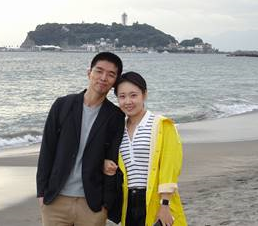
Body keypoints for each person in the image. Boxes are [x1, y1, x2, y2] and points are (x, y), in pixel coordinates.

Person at [36, 52, 125, 226]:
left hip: (92, 204)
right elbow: (47, 150)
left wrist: (106, 204)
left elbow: (112, 160)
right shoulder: (62, 105)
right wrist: (41, 192)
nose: (103, 78)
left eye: (111, 74)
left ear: (115, 81)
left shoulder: (115, 116)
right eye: (99, 71)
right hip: (56, 200)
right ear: (89, 72)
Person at [104, 71, 187, 226]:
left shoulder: (161, 125)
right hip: (128, 204)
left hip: (156, 200)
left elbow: (170, 167)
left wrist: (165, 204)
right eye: (122, 96)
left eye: (133, 95)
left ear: (144, 95)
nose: (127, 101)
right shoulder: (118, 130)